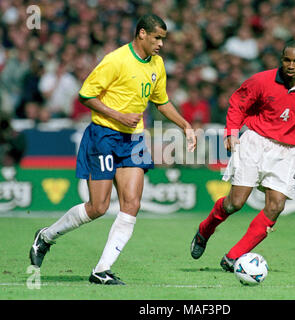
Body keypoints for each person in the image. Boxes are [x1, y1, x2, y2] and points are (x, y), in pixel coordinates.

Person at [29, 14, 196, 285]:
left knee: (132, 204)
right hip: (104, 135)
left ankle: (101, 270)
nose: (161, 45)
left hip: (134, 139)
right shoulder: (115, 60)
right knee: (98, 206)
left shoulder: (157, 64)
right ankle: (45, 237)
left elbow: (161, 102)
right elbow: (86, 94)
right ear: (141, 33)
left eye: (163, 39)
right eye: (157, 38)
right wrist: (118, 116)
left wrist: (185, 126)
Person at [190, 40, 295, 271]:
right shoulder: (262, 80)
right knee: (235, 203)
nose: (291, 65)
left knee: (276, 207)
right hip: (255, 141)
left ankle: (233, 257)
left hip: (286, 151)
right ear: (281, 59)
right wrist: (231, 133)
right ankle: (205, 230)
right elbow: (238, 104)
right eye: (287, 60)